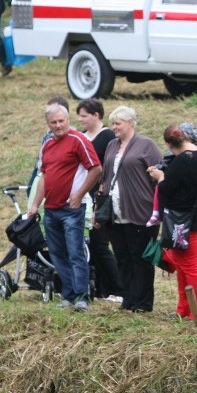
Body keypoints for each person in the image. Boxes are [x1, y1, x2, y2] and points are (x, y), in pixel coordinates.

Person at [28, 104, 102, 311]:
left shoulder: (79, 140)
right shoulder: (47, 145)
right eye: (54, 122)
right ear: (48, 124)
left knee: (75, 252)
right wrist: (35, 205)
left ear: (68, 120)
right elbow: (44, 176)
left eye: (62, 121)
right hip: (50, 209)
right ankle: (68, 295)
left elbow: (96, 169)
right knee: (57, 253)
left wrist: (78, 195)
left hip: (72, 209)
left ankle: (82, 296)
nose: (58, 125)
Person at [148, 125, 197, 322]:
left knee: (190, 265)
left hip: (183, 220)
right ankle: (184, 309)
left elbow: (166, 189)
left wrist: (160, 177)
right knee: (183, 263)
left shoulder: (183, 162)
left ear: (170, 144)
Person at [100, 106, 162, 313]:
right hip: (115, 212)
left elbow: (159, 178)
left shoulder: (147, 145)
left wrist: (157, 209)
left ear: (130, 122)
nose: (114, 127)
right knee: (122, 256)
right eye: (112, 123)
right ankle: (128, 300)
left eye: (118, 123)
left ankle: (143, 303)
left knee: (141, 258)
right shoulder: (111, 145)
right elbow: (106, 176)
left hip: (140, 210)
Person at [76, 98, 123, 302]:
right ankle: (100, 288)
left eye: (84, 115)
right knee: (90, 244)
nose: (80, 119)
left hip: (100, 196)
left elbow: (109, 165)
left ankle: (118, 288)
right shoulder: (81, 137)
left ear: (96, 115)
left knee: (100, 244)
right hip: (83, 195)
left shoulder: (107, 137)